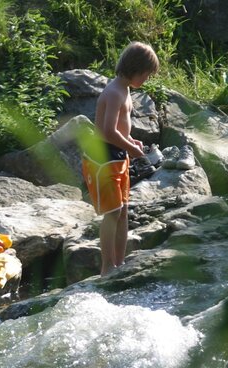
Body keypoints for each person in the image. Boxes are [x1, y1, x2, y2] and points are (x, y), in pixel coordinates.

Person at [82, 41, 159, 275]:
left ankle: (119, 262)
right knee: (113, 212)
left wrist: (131, 141)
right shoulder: (114, 92)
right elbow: (107, 131)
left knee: (123, 209)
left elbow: (120, 130)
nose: (146, 80)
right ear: (134, 69)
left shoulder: (125, 90)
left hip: (117, 156)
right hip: (103, 159)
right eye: (145, 75)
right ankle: (107, 267)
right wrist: (133, 149)